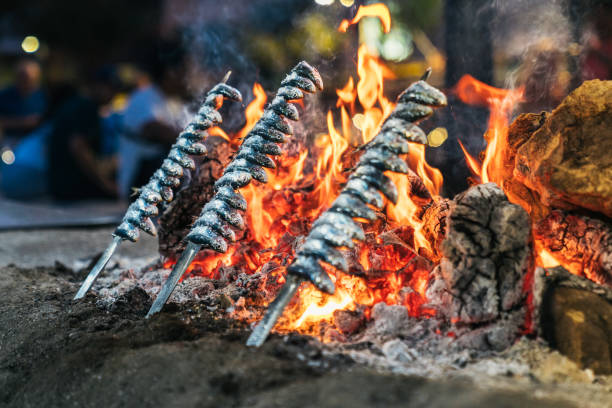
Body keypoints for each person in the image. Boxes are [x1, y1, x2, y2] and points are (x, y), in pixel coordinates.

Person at [46, 67, 119, 201]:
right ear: (98, 86)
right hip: (75, 188)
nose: (114, 95)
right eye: (111, 89)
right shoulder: (87, 107)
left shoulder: (74, 103)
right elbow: (78, 146)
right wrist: (104, 184)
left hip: (59, 186)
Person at [118, 60, 178, 199]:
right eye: (180, 72)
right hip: (138, 184)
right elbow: (152, 128)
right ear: (169, 75)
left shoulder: (165, 99)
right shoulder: (145, 97)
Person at [0, 58, 46, 145]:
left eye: (30, 78)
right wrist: (23, 122)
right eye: (22, 77)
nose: (26, 81)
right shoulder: (4, 96)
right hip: (9, 141)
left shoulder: (44, 96)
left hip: (37, 141)